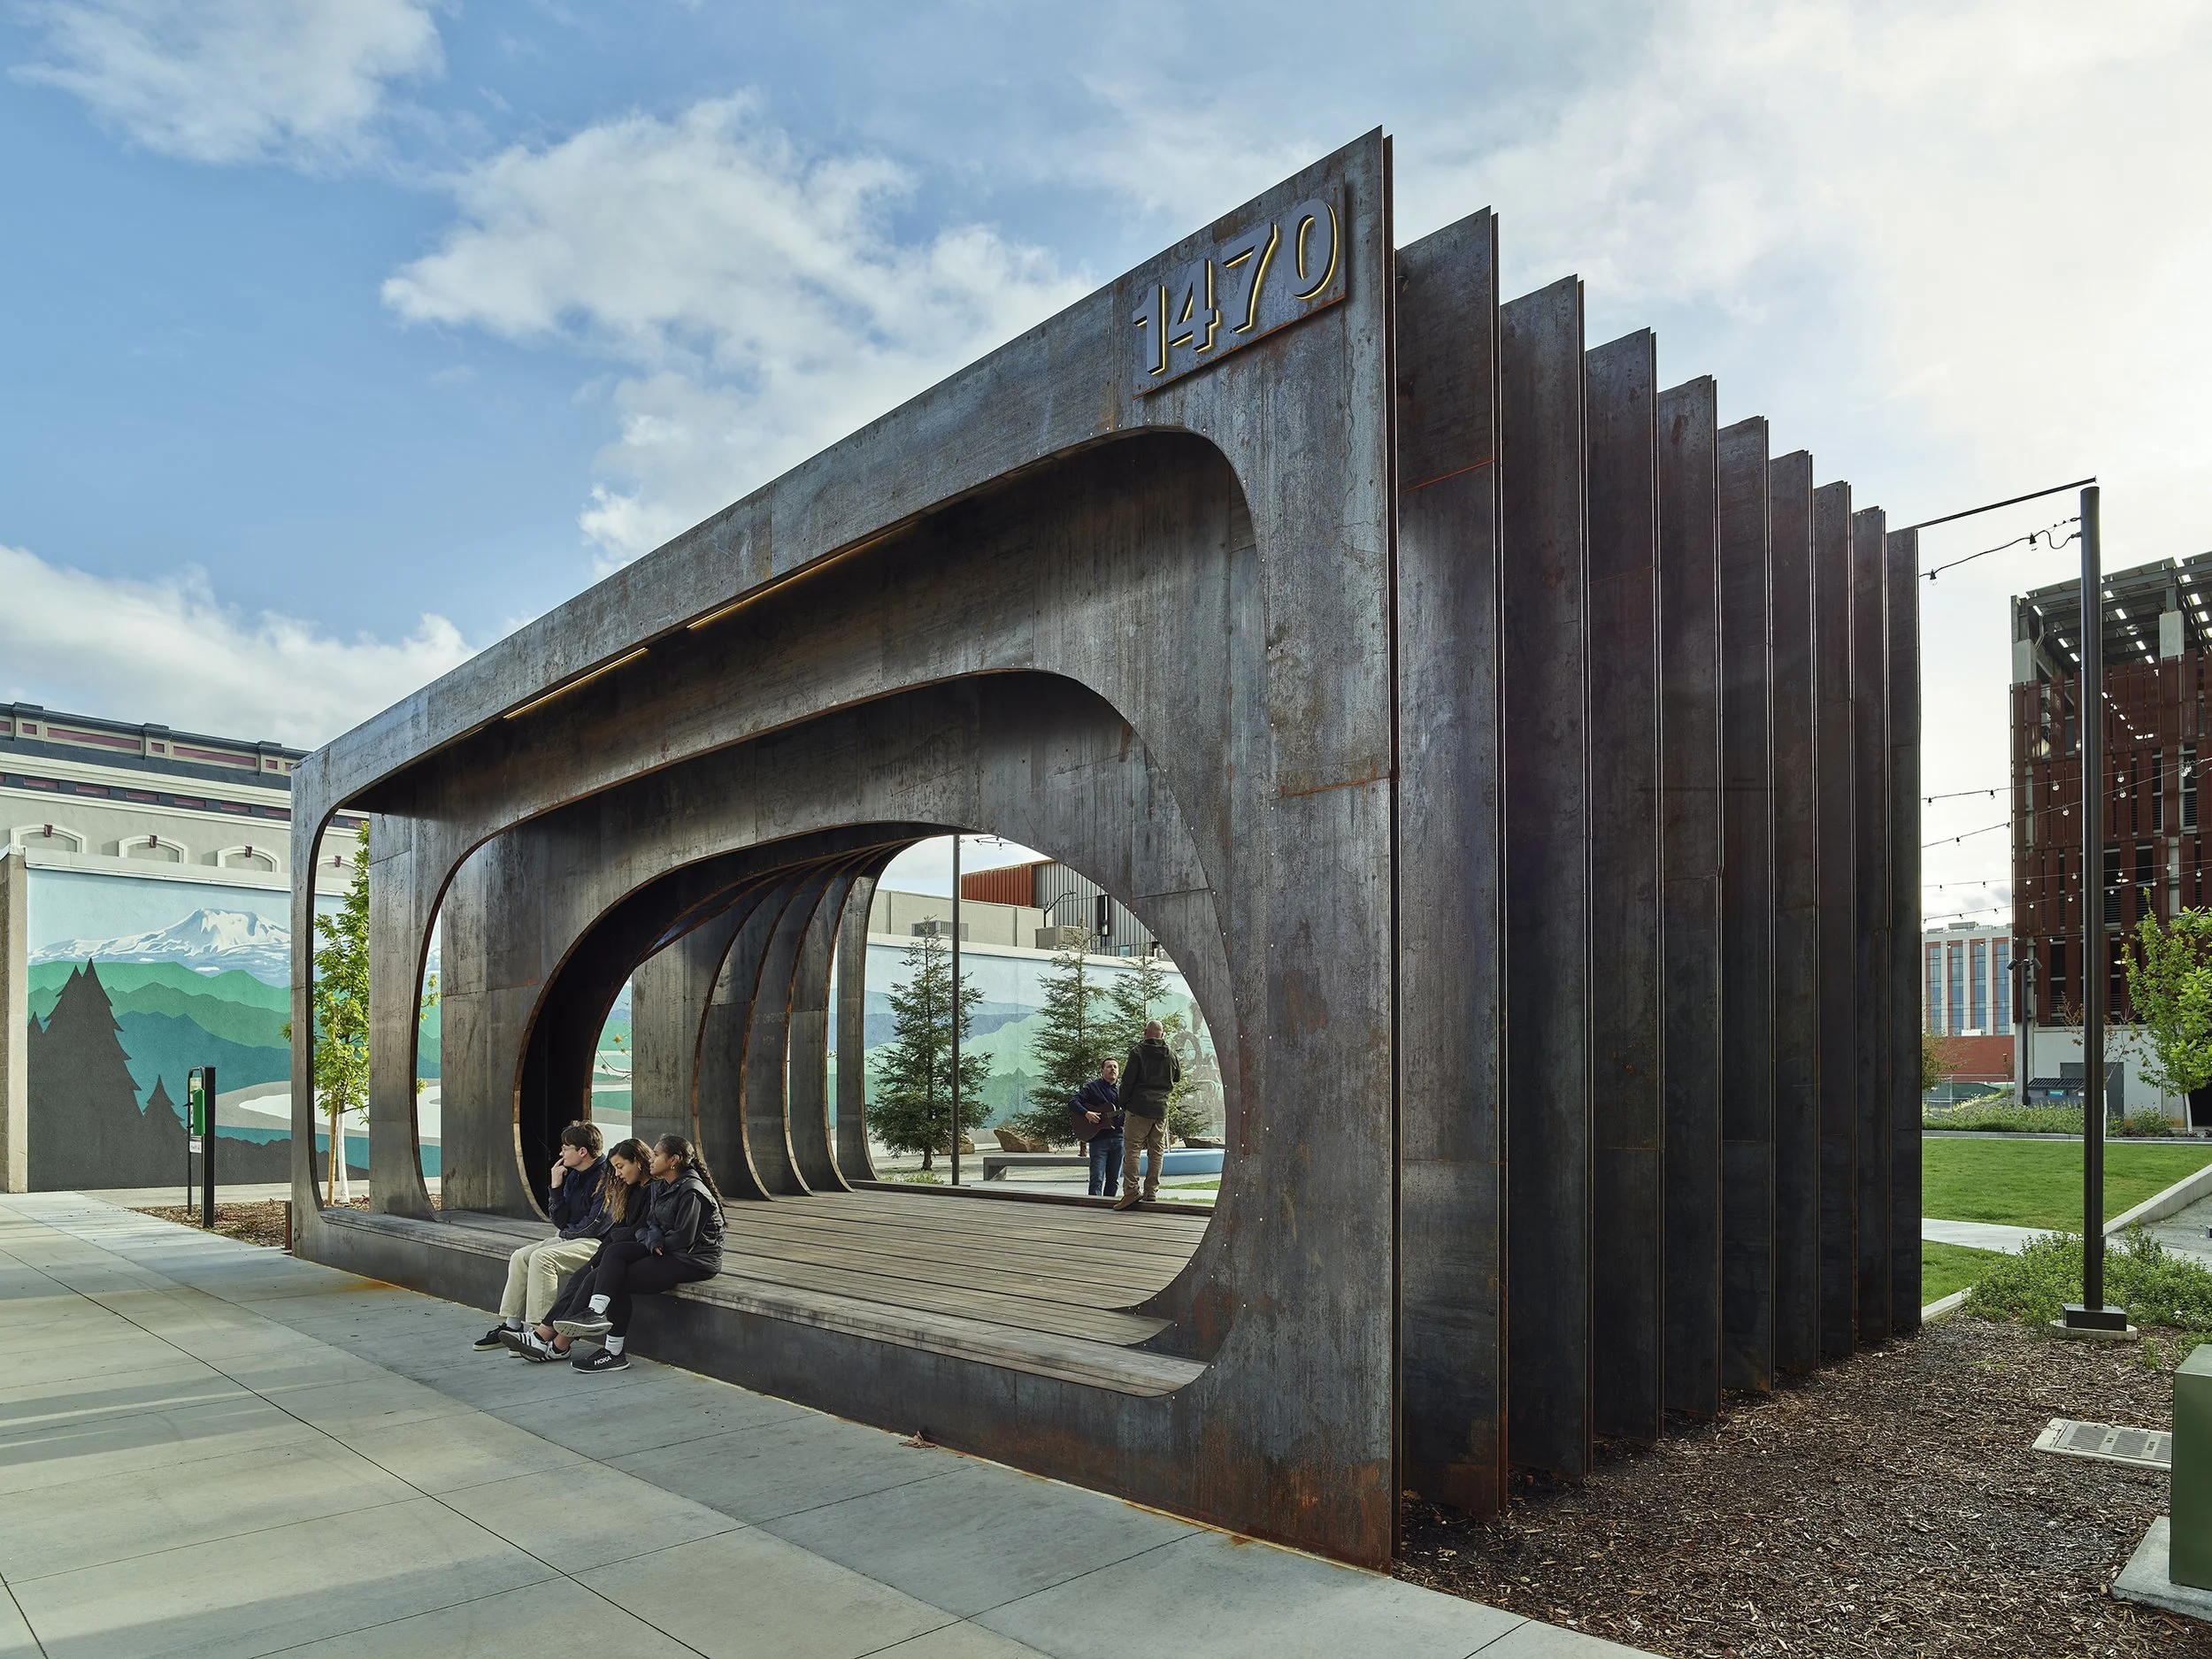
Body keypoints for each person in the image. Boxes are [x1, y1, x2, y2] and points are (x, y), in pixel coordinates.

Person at [553, 1133, 727, 1371]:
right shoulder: (662, 1186)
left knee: (617, 1279)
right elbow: (652, 1223)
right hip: (666, 1249)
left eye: (657, 1155)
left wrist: (653, 1242)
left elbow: (685, 1237)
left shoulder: (692, 1190)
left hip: (693, 1260)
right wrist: (651, 1239)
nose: (652, 1159)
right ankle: (594, 1313)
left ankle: (611, 1351)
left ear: (673, 1160)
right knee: (611, 1257)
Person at [473, 1121, 613, 1350]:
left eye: (565, 1148)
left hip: (597, 1243)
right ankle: (512, 1326)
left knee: (542, 1258)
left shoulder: (606, 1176)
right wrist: (556, 1187)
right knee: (520, 1256)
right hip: (572, 1237)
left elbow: (597, 1224)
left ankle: (539, 1334)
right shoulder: (574, 1175)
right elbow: (559, 1219)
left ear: (582, 1151)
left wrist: (565, 1232)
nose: (561, 1153)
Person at [512, 1136, 650, 1362]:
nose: (617, 1174)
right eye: (615, 1168)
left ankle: (552, 1340)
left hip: (632, 1251)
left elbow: (634, 1228)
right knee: (582, 1275)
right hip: (615, 1250)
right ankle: (548, 1338)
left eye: (620, 1167)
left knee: (589, 1277)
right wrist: (555, 1189)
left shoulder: (651, 1189)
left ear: (637, 1161)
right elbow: (617, 1227)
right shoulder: (628, 1188)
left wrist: (602, 1249)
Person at [1114, 1020, 1181, 1210]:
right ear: (1162, 1034)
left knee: (1133, 1150)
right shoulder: (1171, 1053)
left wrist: (1124, 1103)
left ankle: (1131, 1192)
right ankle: (1151, 1192)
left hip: (1138, 1109)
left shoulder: (1137, 1052)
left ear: (1145, 1033)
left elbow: (1127, 1081)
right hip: (1161, 1110)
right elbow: (1177, 1077)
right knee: (1156, 1151)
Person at [1067, 1056, 1124, 1198]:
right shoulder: (1092, 1087)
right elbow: (1073, 1101)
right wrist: (1087, 1113)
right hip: (1098, 1140)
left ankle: (1109, 1207)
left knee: (1114, 1180)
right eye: (1109, 1066)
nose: (1112, 1069)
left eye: (1115, 1067)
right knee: (1097, 1178)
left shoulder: (1123, 1090)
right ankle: (1093, 1207)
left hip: (1118, 1138)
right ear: (1102, 1070)